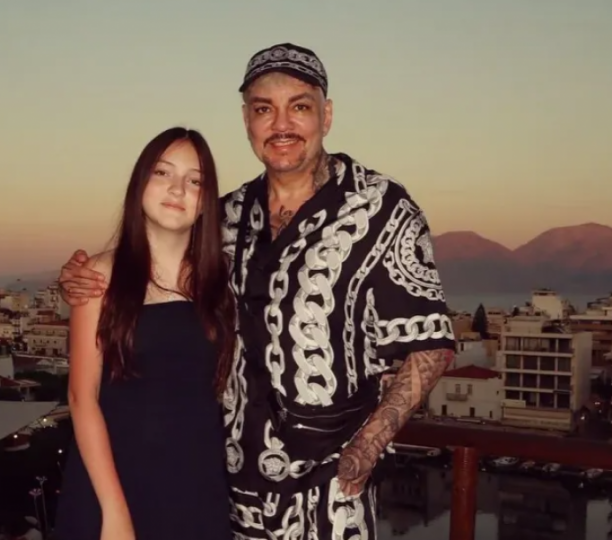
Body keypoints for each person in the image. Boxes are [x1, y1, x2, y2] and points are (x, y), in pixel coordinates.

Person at [58, 43, 457, 539]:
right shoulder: (224, 218)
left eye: (300, 106)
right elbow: (150, 275)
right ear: (246, 120)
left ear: (327, 115)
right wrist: (80, 278)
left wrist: (367, 447)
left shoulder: (381, 209)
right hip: (229, 491)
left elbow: (430, 345)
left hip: (330, 492)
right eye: (264, 109)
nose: (281, 124)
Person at [53, 127, 235, 540]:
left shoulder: (220, 279)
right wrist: (114, 512)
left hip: (197, 484)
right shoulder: (98, 276)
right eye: (162, 173)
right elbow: (82, 398)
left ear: (207, 200)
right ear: (140, 183)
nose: (177, 189)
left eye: (195, 180)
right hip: (116, 480)